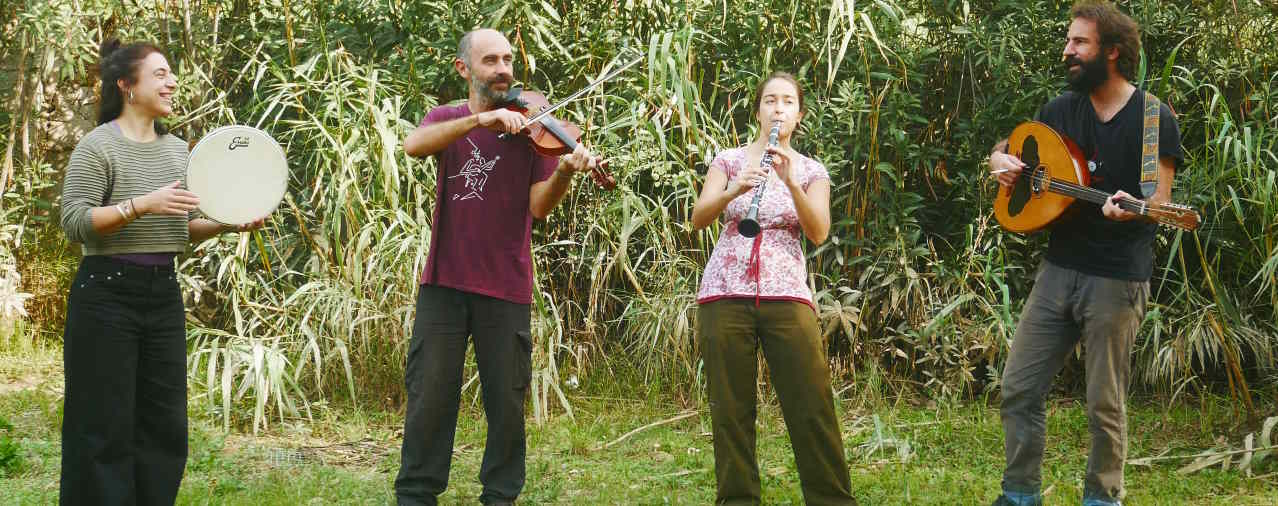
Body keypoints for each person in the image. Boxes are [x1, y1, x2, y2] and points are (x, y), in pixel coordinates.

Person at [986, 2, 1182, 505]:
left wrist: (1135, 210)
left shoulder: (1155, 117)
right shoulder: (1060, 109)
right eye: (1069, 41)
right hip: (1058, 269)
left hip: (1117, 277)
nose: (1067, 51)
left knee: (1103, 403)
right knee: (1019, 387)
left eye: (1079, 43)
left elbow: (1160, 204)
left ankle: (1102, 497)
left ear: (1111, 52)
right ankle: (1020, 494)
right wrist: (1001, 161)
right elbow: (1016, 144)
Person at [394, 28, 598, 506]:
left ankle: (500, 496)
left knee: (506, 402)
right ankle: (417, 493)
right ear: (465, 68)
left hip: (506, 284)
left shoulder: (534, 131)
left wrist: (565, 171)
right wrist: (481, 121)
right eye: (491, 60)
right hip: (443, 283)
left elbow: (540, 207)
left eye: (507, 59)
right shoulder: (449, 119)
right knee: (429, 396)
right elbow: (414, 144)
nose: (504, 68)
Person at [58, 39, 264, 505]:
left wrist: (227, 222)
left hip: (161, 294)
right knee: (102, 423)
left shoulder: (179, 151)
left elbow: (179, 229)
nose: (172, 82)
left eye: (171, 74)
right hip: (105, 296)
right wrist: (139, 205)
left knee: (163, 424)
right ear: (127, 86)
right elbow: (75, 224)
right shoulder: (98, 146)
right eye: (160, 74)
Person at [691, 71, 856, 506]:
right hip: (724, 291)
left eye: (787, 102)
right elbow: (699, 217)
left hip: (787, 293)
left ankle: (832, 500)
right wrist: (733, 189)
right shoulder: (728, 159)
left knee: (811, 407)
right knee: (731, 411)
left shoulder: (811, 170)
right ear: (759, 110)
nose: (778, 108)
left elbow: (818, 231)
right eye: (769, 101)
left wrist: (790, 183)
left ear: (798, 115)